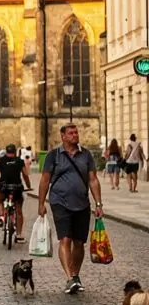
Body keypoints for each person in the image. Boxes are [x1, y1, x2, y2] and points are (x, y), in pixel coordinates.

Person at [38, 123, 103, 295]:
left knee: (79, 242)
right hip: (59, 202)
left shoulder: (86, 155)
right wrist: (41, 203)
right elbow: (45, 180)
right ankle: (69, 278)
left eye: (76, 132)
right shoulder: (53, 156)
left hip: (82, 203)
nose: (75, 135)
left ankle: (75, 274)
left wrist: (98, 204)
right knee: (65, 239)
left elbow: (93, 180)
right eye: (71, 133)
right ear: (63, 137)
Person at [0, 142, 31, 242]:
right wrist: (29, 186)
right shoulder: (19, 161)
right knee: (19, 211)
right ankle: (19, 235)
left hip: (4, 187)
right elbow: (25, 175)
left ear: (6, 151)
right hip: (17, 187)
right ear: (15, 152)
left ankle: (1, 217)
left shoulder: (0, 160)